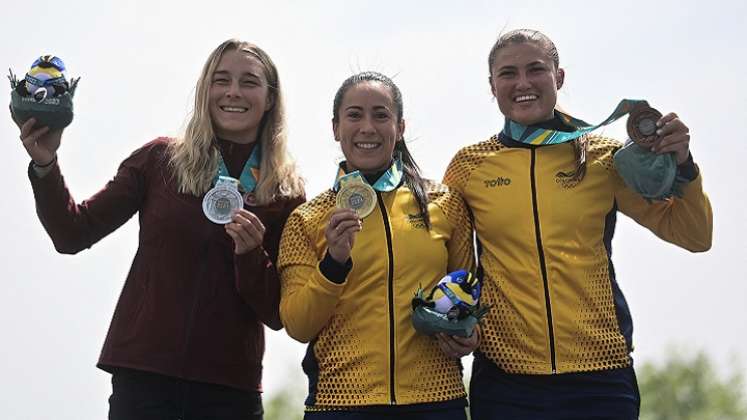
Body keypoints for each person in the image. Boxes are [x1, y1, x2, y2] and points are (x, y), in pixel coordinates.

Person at [15, 39, 305, 420]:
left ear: (270, 98)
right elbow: (72, 234)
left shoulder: (286, 193)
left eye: (249, 82)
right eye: (221, 80)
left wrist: (252, 256)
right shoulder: (159, 160)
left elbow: (278, 313)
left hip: (230, 389)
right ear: (205, 91)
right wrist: (46, 165)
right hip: (144, 379)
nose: (233, 92)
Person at [443, 29, 713, 420]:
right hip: (506, 379)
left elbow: (694, 235)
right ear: (492, 86)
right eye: (508, 73)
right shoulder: (468, 166)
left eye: (536, 69)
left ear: (559, 77)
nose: (522, 83)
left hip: (600, 375)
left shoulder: (604, 157)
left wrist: (684, 166)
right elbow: (454, 267)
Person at [277, 71, 478, 420]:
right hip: (339, 403)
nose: (367, 127)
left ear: (399, 127)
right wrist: (334, 264)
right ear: (336, 128)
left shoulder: (444, 203)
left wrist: (468, 333)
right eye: (354, 115)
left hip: (436, 399)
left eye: (381, 115)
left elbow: (471, 291)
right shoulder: (307, 219)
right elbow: (298, 325)